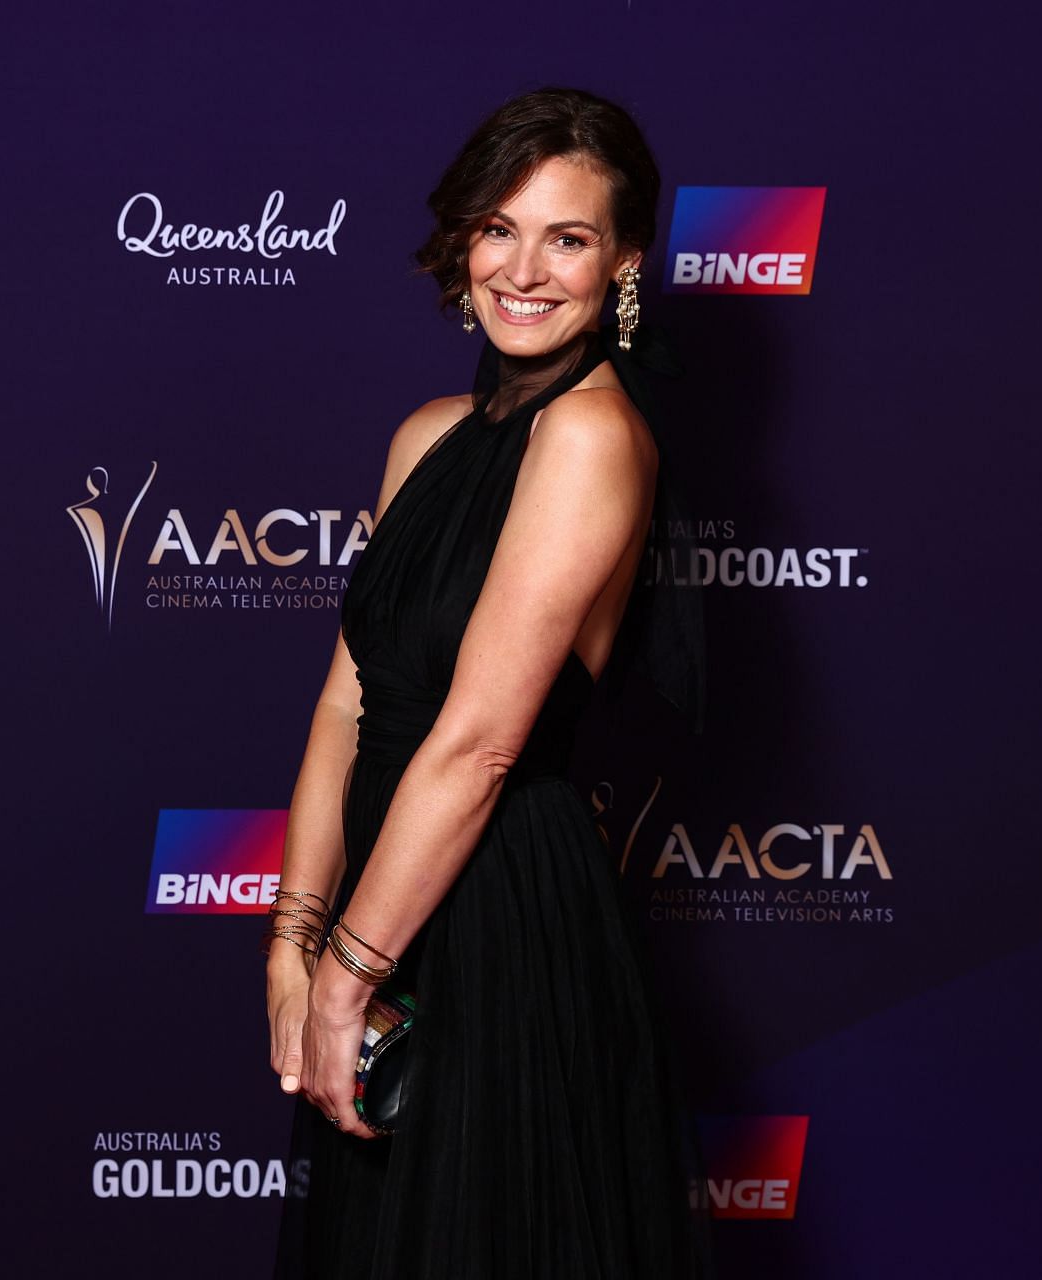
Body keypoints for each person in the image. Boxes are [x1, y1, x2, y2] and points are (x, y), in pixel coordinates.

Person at [263, 86, 713, 1278]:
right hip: (384, 905)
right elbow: (345, 706)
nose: (525, 268)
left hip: (502, 915)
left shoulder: (594, 436)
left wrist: (347, 975)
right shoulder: (426, 436)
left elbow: (479, 745)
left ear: (623, 262)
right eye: (499, 227)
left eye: (567, 237)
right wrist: (291, 944)